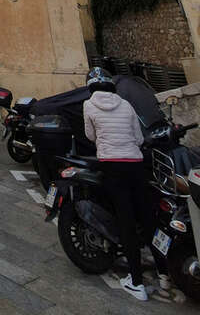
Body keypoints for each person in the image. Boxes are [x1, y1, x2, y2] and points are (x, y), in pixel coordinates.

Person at [83, 67, 168, 301]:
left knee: (126, 221)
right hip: (135, 163)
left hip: (112, 164)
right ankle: (164, 272)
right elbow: (139, 138)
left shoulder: (89, 105)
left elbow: (90, 136)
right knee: (149, 218)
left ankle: (137, 283)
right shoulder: (125, 104)